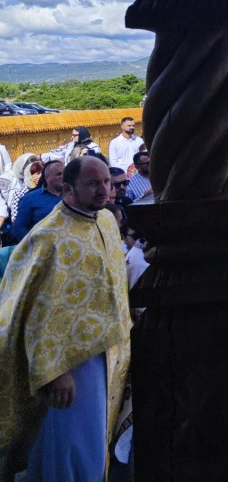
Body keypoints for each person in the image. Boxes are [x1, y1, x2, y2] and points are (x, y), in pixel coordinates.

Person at [0, 156, 131, 481]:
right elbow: (28, 307)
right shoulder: (48, 236)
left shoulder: (106, 221)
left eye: (106, 182)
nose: (104, 190)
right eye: (93, 183)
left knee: (96, 443)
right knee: (71, 450)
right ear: (67, 189)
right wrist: (53, 371)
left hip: (108, 351)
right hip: (69, 363)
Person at [10, 159, 64, 243]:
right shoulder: (29, 199)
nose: (63, 176)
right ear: (46, 177)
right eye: (58, 174)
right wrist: (33, 245)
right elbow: (19, 227)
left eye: (65, 173)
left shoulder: (74, 194)